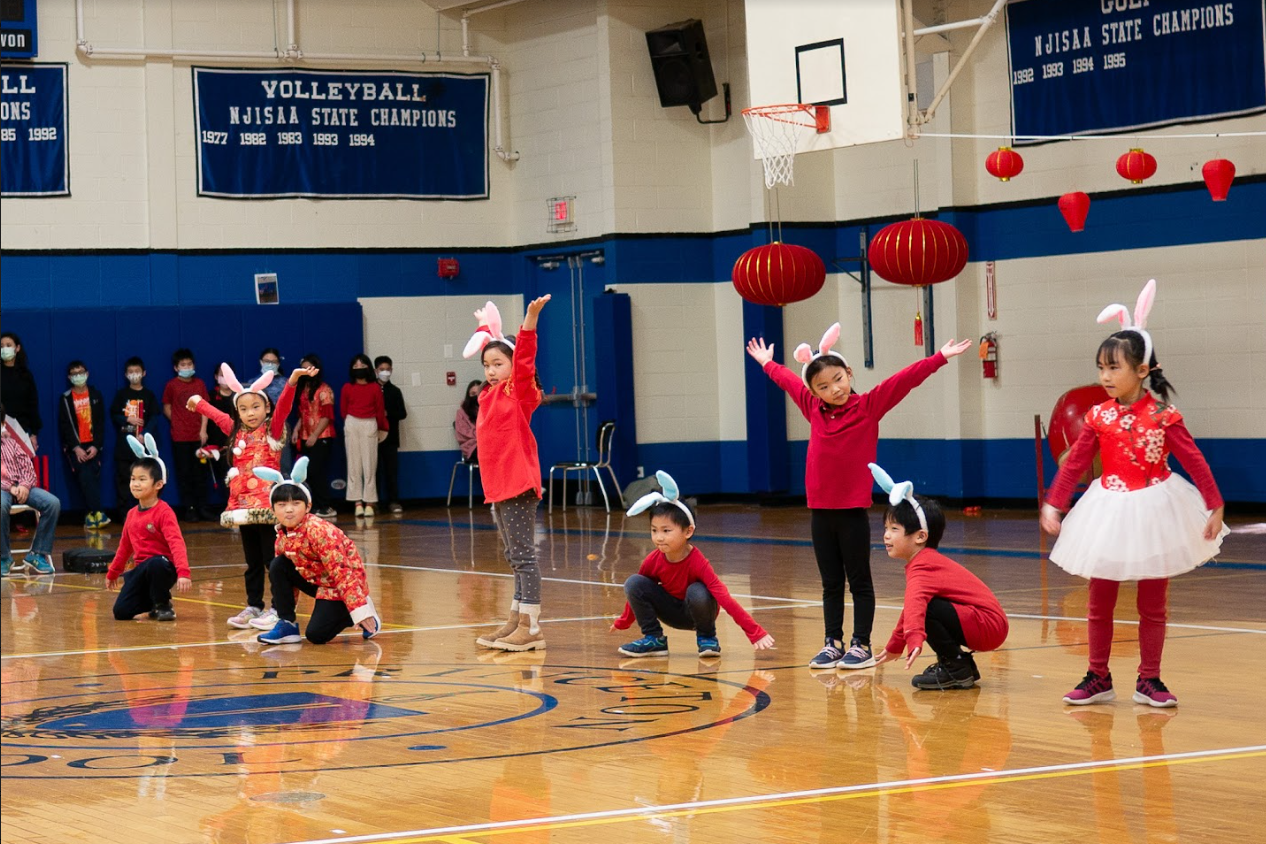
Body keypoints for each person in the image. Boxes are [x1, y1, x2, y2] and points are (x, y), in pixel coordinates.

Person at [1041, 279, 1227, 709]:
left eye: (1114, 368)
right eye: (1101, 368)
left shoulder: (1164, 415)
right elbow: (1075, 462)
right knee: (1099, 598)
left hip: (1157, 506)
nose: (1105, 376)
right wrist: (1055, 502)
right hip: (1107, 507)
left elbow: (1194, 459)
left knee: (1152, 602)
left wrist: (1214, 504)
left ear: (1142, 371)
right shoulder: (1098, 415)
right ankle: (1097, 675)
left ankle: (1150, 679)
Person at [746, 322, 974, 669]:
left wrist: (939, 357)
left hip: (851, 511)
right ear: (814, 391)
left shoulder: (868, 406)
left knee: (859, 581)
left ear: (849, 373)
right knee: (830, 582)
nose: (833, 389)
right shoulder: (811, 407)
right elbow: (788, 381)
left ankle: (861, 645)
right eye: (822, 386)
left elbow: (903, 381)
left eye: (838, 379)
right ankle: (832, 642)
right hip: (819, 512)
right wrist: (767, 363)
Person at [869, 463, 1008, 690]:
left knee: (928, 608)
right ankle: (962, 665)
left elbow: (914, 607)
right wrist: (896, 644)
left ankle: (955, 666)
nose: (885, 535)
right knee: (927, 606)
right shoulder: (926, 561)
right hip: (987, 624)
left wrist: (914, 638)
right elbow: (911, 608)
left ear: (920, 536)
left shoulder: (923, 566)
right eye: (886, 528)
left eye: (894, 529)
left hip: (987, 625)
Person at [188, 363, 305, 630]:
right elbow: (218, 417)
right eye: (243, 408)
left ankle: (278, 608)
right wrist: (199, 403)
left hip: (267, 506)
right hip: (242, 505)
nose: (249, 413)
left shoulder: (273, 429)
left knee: (270, 560)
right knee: (252, 561)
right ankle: (254, 605)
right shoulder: (235, 430)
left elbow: (285, 405)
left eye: (255, 407)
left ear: (266, 409)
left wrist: (293, 381)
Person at [611, 470, 776, 658]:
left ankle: (707, 637)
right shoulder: (653, 559)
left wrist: (755, 632)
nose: (659, 537)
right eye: (654, 530)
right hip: (671, 613)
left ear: (688, 531)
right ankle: (654, 639)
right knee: (634, 581)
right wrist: (623, 621)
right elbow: (638, 591)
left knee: (697, 590)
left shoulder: (699, 562)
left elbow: (725, 599)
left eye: (666, 530)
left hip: (698, 612)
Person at [465, 297, 551, 652]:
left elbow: (526, 360)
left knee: (524, 557)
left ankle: (531, 627)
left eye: (498, 363)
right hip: (498, 488)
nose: (491, 370)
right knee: (513, 556)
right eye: (487, 364)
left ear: (512, 366)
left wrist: (529, 319)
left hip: (517, 485)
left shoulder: (518, 392)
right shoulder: (488, 396)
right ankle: (515, 620)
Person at [249, 458, 382, 645]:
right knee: (278, 564)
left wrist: (358, 608)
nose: (288, 510)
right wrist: (286, 611)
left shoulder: (320, 531)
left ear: (308, 506)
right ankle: (287, 625)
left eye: (295, 503)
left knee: (316, 636)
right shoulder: (281, 535)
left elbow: (342, 572)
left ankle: (359, 610)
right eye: (281, 505)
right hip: (317, 583)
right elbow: (285, 581)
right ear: (273, 509)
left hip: (338, 585)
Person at [105, 442, 192, 621]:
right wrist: (113, 571)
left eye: (142, 479)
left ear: (158, 484)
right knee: (121, 612)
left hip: (162, 568)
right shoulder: (131, 514)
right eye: (133, 479)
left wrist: (183, 572)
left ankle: (163, 604)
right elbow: (124, 547)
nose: (135, 484)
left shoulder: (164, 512)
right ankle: (153, 607)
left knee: (155, 563)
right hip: (141, 571)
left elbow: (176, 543)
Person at [1, 403, 61, 576]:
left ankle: (37, 554)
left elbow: (28, 468)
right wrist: (10, 487)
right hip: (4, 489)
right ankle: (4, 557)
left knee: (52, 503)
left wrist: (24, 486)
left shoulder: (12, 443)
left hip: (21, 487)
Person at [58, 360, 110, 528]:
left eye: (81, 372)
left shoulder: (95, 395)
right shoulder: (65, 398)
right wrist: (76, 448)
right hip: (76, 447)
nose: (78, 376)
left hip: (93, 444)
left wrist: (96, 445)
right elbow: (64, 425)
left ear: (87, 374)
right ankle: (99, 512)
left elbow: (101, 422)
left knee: (93, 477)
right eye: (74, 374)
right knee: (84, 476)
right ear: (69, 377)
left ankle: (91, 514)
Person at [162, 349, 211, 521]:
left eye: (189, 364)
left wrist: (203, 429)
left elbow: (205, 408)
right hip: (180, 438)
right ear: (176, 368)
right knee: (184, 474)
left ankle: (203, 507)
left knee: (200, 474)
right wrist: (176, 421)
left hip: (198, 436)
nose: (186, 367)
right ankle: (189, 509)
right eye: (183, 365)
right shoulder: (171, 385)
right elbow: (166, 406)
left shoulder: (200, 384)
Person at [109, 357, 160, 520]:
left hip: (143, 448)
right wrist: (126, 419)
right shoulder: (121, 394)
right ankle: (125, 516)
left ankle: (144, 513)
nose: (134, 375)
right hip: (124, 448)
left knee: (144, 481)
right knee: (124, 481)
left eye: (137, 371)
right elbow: (114, 414)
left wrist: (144, 435)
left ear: (143, 373)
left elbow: (154, 417)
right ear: (126, 374)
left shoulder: (149, 395)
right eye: (130, 372)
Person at [340, 354, 387, 518]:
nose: (359, 368)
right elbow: (343, 410)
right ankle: (357, 502)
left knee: (369, 464)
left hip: (369, 423)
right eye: (356, 365)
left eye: (362, 365)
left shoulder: (374, 388)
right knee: (354, 465)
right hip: (352, 423)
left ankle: (370, 502)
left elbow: (380, 411)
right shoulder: (347, 387)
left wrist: (382, 428)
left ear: (368, 368)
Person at [292, 353, 336, 519]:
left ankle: (326, 506)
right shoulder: (303, 390)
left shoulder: (325, 389)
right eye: (302, 369)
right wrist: (296, 430)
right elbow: (302, 414)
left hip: (322, 437)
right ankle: (315, 505)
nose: (305, 371)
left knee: (317, 471)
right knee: (308, 473)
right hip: (304, 436)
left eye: (308, 368)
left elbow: (327, 416)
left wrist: (315, 435)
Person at [374, 355, 408, 514]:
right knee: (374, 471)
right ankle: (375, 502)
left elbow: (402, 413)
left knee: (391, 471)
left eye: (387, 369)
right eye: (382, 369)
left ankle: (393, 501)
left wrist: (388, 414)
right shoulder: (371, 389)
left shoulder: (395, 391)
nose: (385, 372)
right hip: (373, 437)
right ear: (375, 370)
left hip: (391, 438)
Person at [201, 362, 238, 501]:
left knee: (234, 475)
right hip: (215, 441)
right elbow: (204, 412)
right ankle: (225, 505)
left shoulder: (237, 395)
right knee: (221, 475)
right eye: (221, 375)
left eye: (227, 376)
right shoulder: (211, 395)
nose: (224, 379)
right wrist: (203, 431)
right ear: (216, 377)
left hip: (233, 441)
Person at [0, 332, 42, 451]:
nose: (4, 349)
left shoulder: (26, 375)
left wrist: (34, 434)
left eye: (8, 345)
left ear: (17, 348)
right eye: (1, 346)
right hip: (1, 429)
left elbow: (32, 404)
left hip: (20, 431)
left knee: (20, 468)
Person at [455, 379, 480, 463]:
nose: (476, 396)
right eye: (473, 394)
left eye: (478, 393)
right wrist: (481, 435)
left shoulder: (489, 410)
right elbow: (463, 433)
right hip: (472, 446)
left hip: (489, 444)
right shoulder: (462, 413)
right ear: (468, 395)